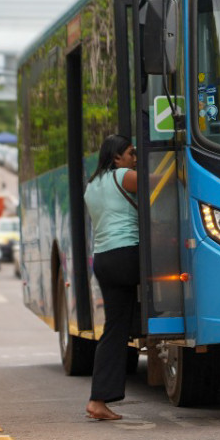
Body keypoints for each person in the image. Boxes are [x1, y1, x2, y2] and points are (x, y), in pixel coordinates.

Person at [82, 134, 139, 421]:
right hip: (127, 255)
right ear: (116, 158)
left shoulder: (92, 185)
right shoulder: (124, 176)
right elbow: (161, 182)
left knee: (114, 329)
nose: (135, 159)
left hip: (103, 259)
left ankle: (98, 401)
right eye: (131, 153)